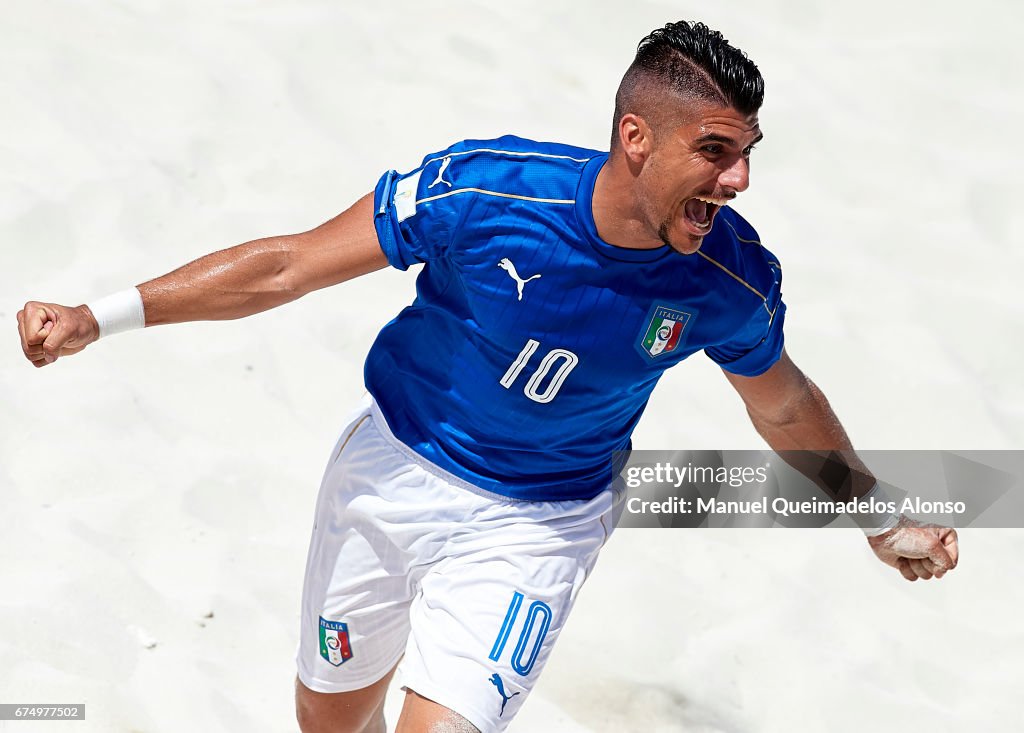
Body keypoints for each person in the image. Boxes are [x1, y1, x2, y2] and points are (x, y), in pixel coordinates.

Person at [16, 20, 958, 733]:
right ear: (637, 137)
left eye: (748, 152)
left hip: (540, 522)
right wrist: (101, 315)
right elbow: (290, 265)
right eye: (715, 151)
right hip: (390, 473)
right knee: (329, 721)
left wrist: (877, 513)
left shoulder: (727, 274)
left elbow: (783, 402)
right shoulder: (482, 191)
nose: (739, 180)